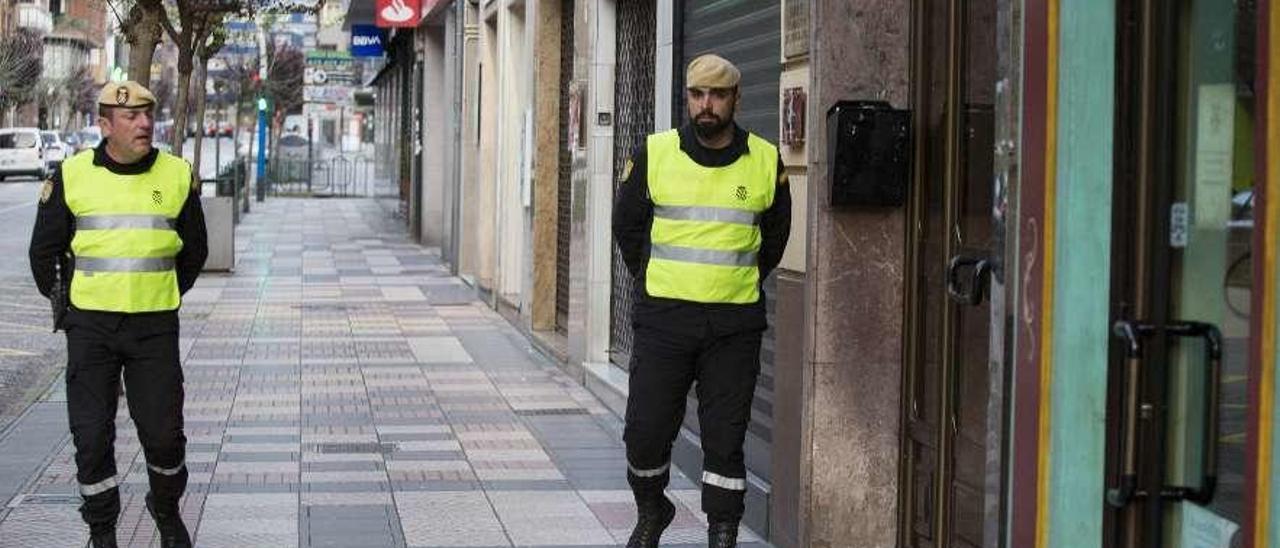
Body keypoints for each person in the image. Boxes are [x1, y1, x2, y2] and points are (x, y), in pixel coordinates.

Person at [612, 54, 791, 548]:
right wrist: (653, 279)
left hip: (733, 326)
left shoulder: (766, 161)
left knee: (725, 440)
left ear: (735, 98)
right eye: (697, 94)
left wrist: (735, 281)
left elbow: (773, 238)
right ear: (687, 97)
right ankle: (653, 508)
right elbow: (626, 226)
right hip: (664, 320)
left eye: (716, 95)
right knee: (644, 434)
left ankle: (723, 531)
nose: (705, 105)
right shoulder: (654, 153)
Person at [28, 80, 207, 548]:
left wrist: (159, 291)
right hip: (91, 330)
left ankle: (166, 511)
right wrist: (71, 314)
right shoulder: (71, 175)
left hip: (154, 327)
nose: (144, 123)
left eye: (148, 114)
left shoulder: (175, 175)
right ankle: (102, 530)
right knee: (91, 437)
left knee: (165, 436)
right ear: (104, 125)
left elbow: (194, 253)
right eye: (131, 117)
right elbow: (42, 255)